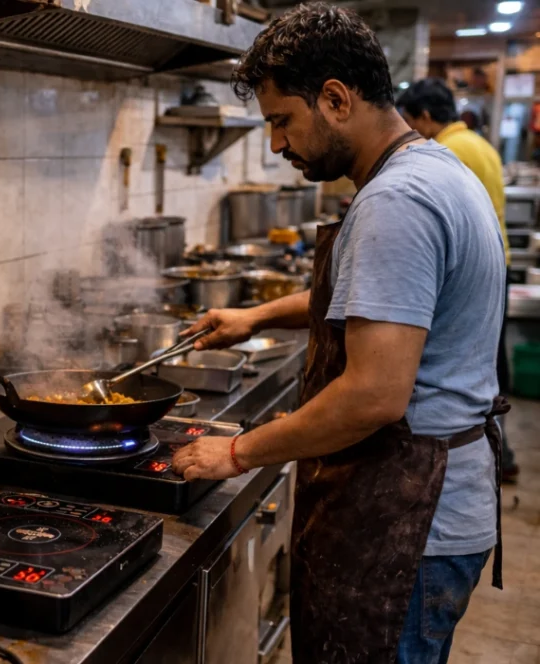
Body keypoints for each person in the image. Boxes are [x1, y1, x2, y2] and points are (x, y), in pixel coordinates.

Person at [171, 4, 508, 663]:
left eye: (280, 121)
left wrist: (237, 453)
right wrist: (257, 315)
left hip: (408, 527)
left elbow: (373, 396)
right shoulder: (431, 168)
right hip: (433, 511)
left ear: (335, 98)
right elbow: (387, 300)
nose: (275, 144)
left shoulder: (396, 201)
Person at [398, 78, 519, 483]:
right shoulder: (480, 143)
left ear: (427, 118)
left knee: (466, 374)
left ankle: (499, 454)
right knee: (486, 368)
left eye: (411, 121)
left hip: (464, 268)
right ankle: (503, 453)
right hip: (492, 259)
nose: (411, 131)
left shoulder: (447, 151)